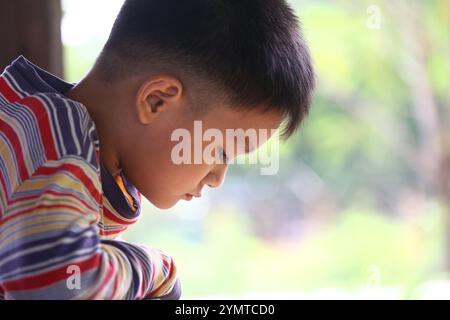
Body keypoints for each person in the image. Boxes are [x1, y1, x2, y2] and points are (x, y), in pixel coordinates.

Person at [0, 0, 314, 299]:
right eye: (221, 152)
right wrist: (158, 270)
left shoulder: (44, 127)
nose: (217, 178)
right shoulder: (59, 147)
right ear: (157, 101)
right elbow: (59, 286)